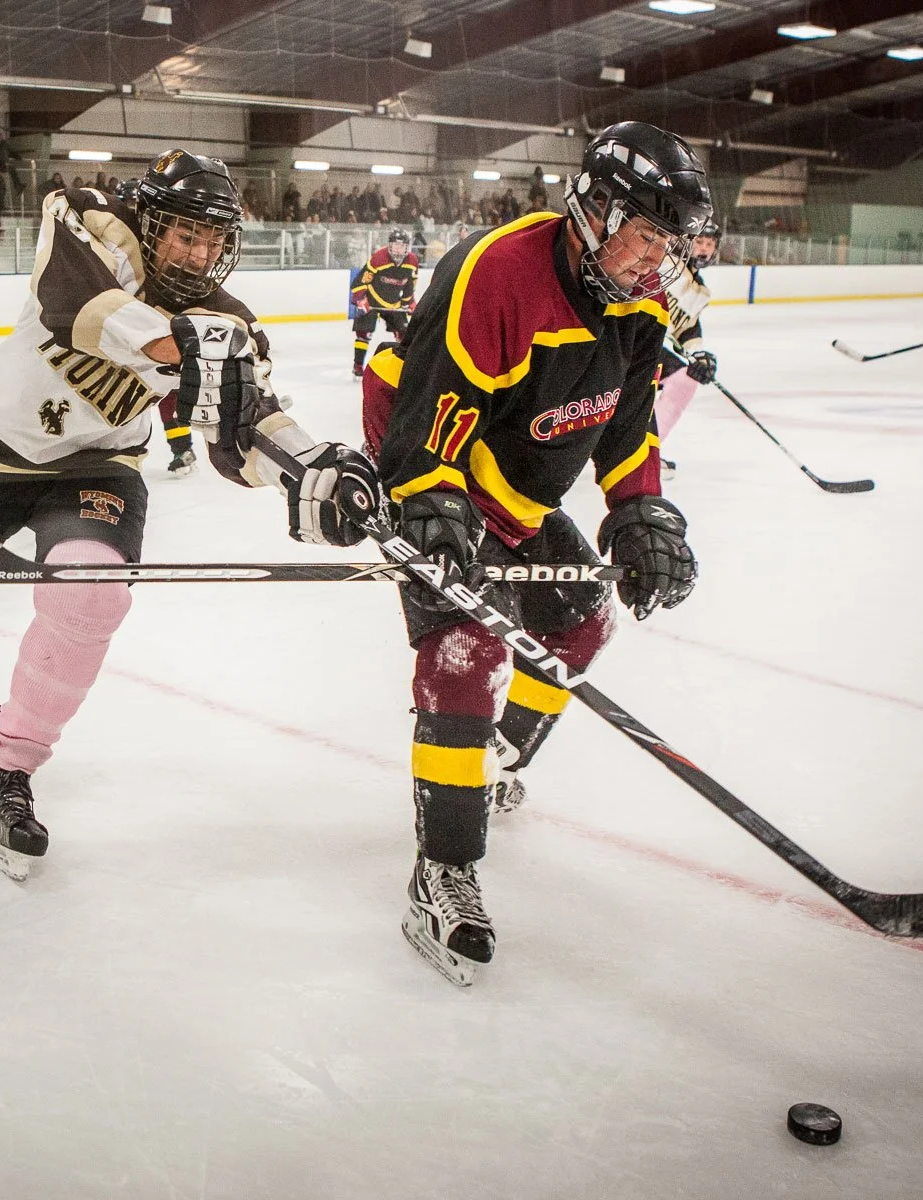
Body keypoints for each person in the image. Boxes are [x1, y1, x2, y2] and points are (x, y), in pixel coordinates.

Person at [0, 149, 379, 885]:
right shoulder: (89, 221)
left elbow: (246, 428)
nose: (200, 254)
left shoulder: (225, 321)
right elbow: (75, 308)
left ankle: (10, 765)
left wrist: (311, 472)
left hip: (96, 467)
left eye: (214, 241)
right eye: (184, 235)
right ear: (149, 220)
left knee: (92, 598)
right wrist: (182, 348)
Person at [359, 121, 712, 986]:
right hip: (430, 464)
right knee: (466, 647)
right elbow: (425, 410)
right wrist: (430, 502)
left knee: (584, 625)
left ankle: (495, 760)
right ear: (595, 212)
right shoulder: (499, 272)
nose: (656, 262)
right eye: (647, 238)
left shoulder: (640, 302)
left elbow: (626, 433)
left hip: (519, 492)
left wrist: (640, 513)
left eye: (671, 247)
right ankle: (442, 864)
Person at [654, 219, 722, 475]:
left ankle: (645, 452)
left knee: (684, 380)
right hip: (636, 341)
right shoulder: (664, 263)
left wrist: (699, 355)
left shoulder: (702, 291)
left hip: (658, 350)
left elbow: (688, 329)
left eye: (710, 244)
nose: (704, 249)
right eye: (700, 242)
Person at [349, 228, 419, 378]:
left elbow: (409, 285)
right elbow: (360, 281)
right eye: (395, 245)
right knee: (363, 333)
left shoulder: (412, 262)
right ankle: (358, 365)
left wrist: (410, 302)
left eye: (402, 246)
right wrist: (361, 300)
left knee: (404, 334)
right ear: (389, 245)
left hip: (394, 304)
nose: (398, 249)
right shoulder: (378, 258)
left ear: (407, 247)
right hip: (372, 299)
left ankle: (401, 365)